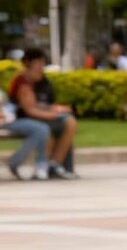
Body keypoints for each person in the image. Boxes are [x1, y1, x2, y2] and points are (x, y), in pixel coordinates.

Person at [7, 48, 78, 179]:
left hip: (42, 117)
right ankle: (39, 164)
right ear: (28, 64)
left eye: (42, 63)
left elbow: (48, 103)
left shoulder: (44, 82)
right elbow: (30, 109)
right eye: (38, 63)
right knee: (47, 128)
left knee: (70, 122)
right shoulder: (22, 82)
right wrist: (54, 114)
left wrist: (58, 109)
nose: (41, 67)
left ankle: (54, 164)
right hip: (21, 119)